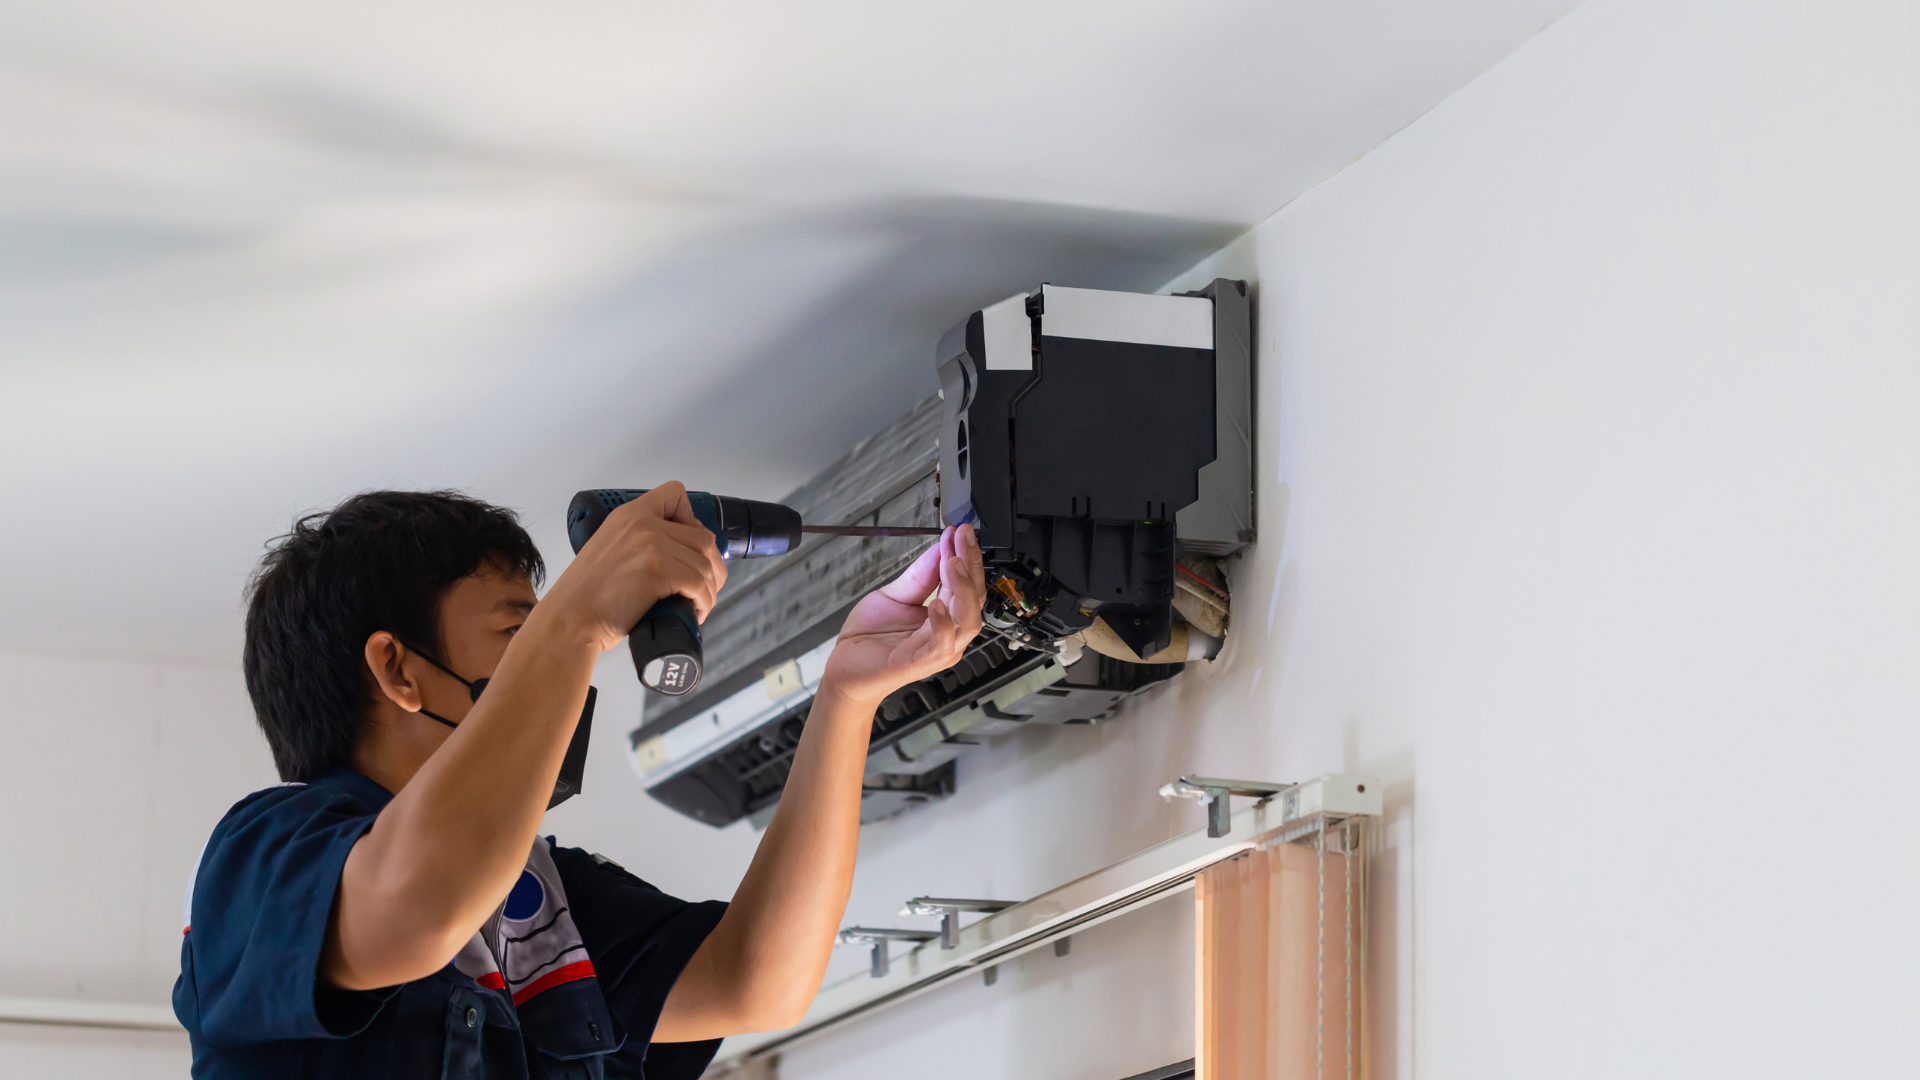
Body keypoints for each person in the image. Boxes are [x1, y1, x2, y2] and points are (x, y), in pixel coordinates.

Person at [174, 484, 985, 1079]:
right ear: (397, 669)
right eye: (517, 633)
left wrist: (847, 697)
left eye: (543, 636)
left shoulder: (540, 901)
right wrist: (573, 619)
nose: (561, 670)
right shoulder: (260, 857)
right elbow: (420, 905)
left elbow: (754, 980)